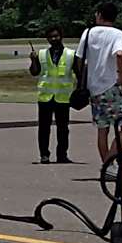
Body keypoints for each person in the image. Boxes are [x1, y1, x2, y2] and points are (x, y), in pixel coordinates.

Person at [75, 2, 122, 164]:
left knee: (102, 128)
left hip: (94, 87)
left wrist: (82, 78)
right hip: (110, 85)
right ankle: (110, 159)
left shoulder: (88, 32)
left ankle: (106, 164)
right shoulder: (117, 33)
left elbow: (79, 58)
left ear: (99, 15)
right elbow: (119, 54)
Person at [26, 26, 74, 164]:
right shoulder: (42, 54)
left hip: (62, 97)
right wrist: (33, 60)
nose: (54, 39)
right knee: (44, 128)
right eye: (51, 37)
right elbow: (35, 72)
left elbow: (79, 71)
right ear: (47, 39)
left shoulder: (70, 54)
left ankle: (62, 155)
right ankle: (44, 155)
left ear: (61, 36)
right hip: (45, 97)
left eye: (56, 36)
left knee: (63, 128)